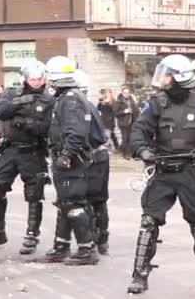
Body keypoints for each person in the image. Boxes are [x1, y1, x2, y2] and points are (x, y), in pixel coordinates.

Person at [127, 54, 195, 294]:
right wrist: (143, 150)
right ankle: (139, 276)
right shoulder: (156, 103)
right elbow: (139, 129)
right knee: (148, 222)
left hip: (190, 170)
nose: (162, 79)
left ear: (179, 77)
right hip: (162, 169)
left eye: (167, 74)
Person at [0, 60, 54, 255]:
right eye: (32, 79)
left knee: (34, 193)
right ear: (25, 78)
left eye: (39, 79)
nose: (36, 82)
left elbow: (45, 128)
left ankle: (32, 234)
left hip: (33, 150)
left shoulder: (48, 100)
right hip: (11, 149)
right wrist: (21, 103)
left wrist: (24, 123)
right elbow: (1, 112)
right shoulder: (13, 93)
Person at [43, 56, 100, 265]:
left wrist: (66, 155)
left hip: (71, 160)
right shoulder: (68, 97)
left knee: (73, 203)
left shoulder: (70, 100)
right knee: (65, 203)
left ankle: (87, 249)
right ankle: (62, 245)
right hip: (69, 157)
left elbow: (76, 133)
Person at [73, 69, 111, 255]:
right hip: (100, 156)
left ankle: (96, 239)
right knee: (99, 200)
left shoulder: (79, 107)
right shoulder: (89, 105)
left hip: (93, 157)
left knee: (91, 200)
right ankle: (101, 238)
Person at [115, 85, 139, 159]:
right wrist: (124, 112)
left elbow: (136, 110)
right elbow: (116, 113)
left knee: (130, 138)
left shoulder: (132, 100)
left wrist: (135, 112)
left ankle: (127, 151)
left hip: (132, 122)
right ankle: (126, 154)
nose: (127, 94)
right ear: (122, 93)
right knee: (125, 138)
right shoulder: (118, 101)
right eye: (125, 93)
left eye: (128, 93)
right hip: (123, 123)